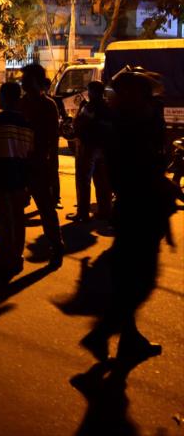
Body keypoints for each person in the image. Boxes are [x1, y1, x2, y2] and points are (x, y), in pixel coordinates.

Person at [79, 70, 176, 363]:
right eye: (145, 95)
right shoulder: (126, 127)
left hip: (138, 211)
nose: (151, 101)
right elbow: (139, 172)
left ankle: (129, 339)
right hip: (138, 212)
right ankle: (101, 334)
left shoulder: (128, 123)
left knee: (130, 280)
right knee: (140, 281)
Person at [0, 82, 34, 274]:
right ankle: (17, 256)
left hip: (1, 174)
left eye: (0, 95)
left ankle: (4, 256)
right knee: (18, 218)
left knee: (2, 219)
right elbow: (29, 154)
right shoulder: (27, 123)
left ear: (7, 98)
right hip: (20, 175)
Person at [19, 64, 65, 266]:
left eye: (27, 79)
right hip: (20, 164)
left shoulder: (48, 106)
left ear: (36, 82)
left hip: (39, 165)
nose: (23, 83)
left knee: (46, 209)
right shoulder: (20, 104)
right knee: (17, 209)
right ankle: (14, 251)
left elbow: (53, 144)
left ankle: (56, 245)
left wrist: (54, 176)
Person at [68, 81, 113, 222]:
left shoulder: (89, 106)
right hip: (104, 148)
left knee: (83, 181)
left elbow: (79, 124)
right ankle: (105, 211)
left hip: (87, 147)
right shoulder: (108, 106)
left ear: (92, 92)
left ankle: (82, 213)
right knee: (102, 182)